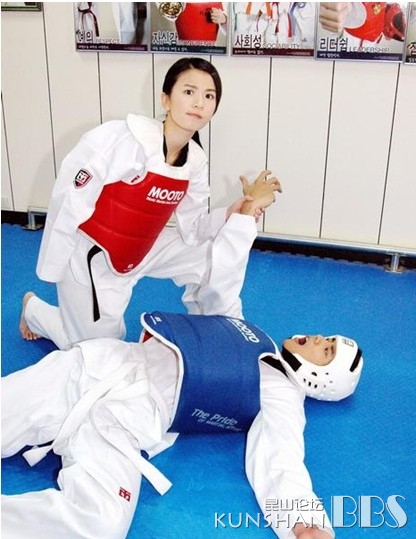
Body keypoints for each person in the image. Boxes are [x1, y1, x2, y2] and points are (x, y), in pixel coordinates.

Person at [2, 309, 364, 539]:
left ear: (321, 379)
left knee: (102, 523)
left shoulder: (283, 395)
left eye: (326, 351)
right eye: (328, 339)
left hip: (122, 426)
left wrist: (305, 521)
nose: (320, 339)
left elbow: (281, 455)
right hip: (90, 370)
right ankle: (35, 311)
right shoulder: (257, 338)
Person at [19, 56, 281, 350]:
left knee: (211, 254)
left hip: (144, 247)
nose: (199, 103)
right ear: (165, 99)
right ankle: (34, 311)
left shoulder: (195, 161)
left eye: (209, 96)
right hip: (93, 255)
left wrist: (234, 212)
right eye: (189, 92)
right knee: (97, 350)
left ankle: (217, 330)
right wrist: (54, 266)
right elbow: (70, 199)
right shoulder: (123, 140)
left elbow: (193, 229)